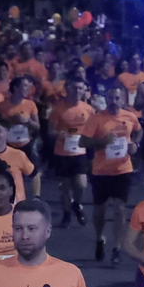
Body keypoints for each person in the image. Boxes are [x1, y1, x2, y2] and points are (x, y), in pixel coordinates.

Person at [81, 83, 141, 264]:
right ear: (106, 99)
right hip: (101, 170)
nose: (114, 102)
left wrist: (135, 145)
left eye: (117, 98)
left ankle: (117, 247)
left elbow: (138, 131)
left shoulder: (130, 116)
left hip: (123, 169)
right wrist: (103, 141)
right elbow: (83, 142)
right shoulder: (97, 118)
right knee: (100, 210)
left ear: (123, 99)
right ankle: (100, 238)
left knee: (120, 209)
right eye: (110, 98)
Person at [49, 77, 93, 227]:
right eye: (74, 88)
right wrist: (59, 134)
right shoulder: (59, 108)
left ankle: (77, 204)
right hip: (63, 152)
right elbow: (50, 131)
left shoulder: (88, 109)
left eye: (80, 88)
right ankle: (66, 215)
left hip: (80, 152)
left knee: (81, 184)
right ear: (67, 90)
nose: (77, 91)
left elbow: (93, 128)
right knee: (65, 187)